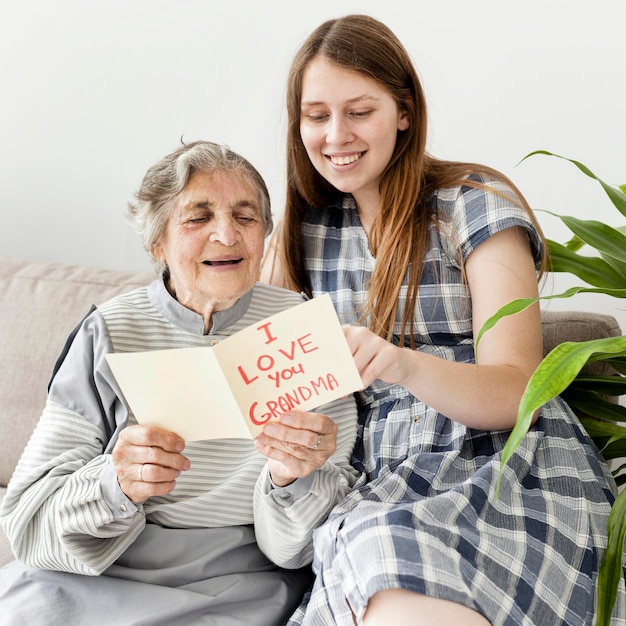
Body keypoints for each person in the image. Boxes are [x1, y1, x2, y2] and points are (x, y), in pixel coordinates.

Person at [260, 14, 626, 626]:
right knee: (375, 551)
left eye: (359, 111)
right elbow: (266, 382)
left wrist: (401, 363)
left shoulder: (474, 207)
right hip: (382, 479)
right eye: (316, 115)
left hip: (506, 469)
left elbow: (517, 389)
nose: (335, 135)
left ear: (404, 111)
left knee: (389, 559)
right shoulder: (300, 236)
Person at [0, 140, 360, 625]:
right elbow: (26, 523)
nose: (227, 234)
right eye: (198, 217)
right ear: (157, 243)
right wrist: (114, 482)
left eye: (245, 216)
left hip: (241, 582)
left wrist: (294, 477)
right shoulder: (107, 331)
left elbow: (296, 549)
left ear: (265, 237)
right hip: (98, 570)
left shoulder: (303, 330)